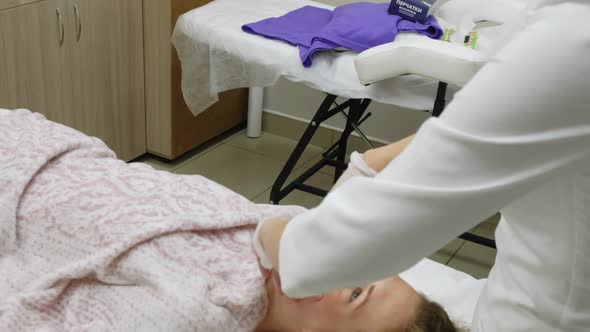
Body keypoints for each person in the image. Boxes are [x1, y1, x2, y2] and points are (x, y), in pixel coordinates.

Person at [256, 1, 590, 331]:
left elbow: (312, 258)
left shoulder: (569, 39)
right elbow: (482, 139)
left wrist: (267, 226)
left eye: (359, 290)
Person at [0, 109, 461, 331]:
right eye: (363, 262)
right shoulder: (301, 252)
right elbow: (360, 179)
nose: (341, 265)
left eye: (356, 292)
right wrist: (445, 134)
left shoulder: (195, 313)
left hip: (19, 186)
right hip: (57, 145)